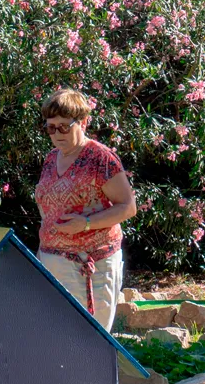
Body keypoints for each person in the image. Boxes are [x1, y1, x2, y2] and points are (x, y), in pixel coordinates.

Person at [33, 89, 136, 331]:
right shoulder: (51, 159)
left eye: (64, 127)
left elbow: (128, 207)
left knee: (90, 339)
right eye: (51, 128)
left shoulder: (101, 159)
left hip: (91, 267)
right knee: (56, 339)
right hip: (52, 263)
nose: (57, 134)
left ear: (83, 122)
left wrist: (86, 223)